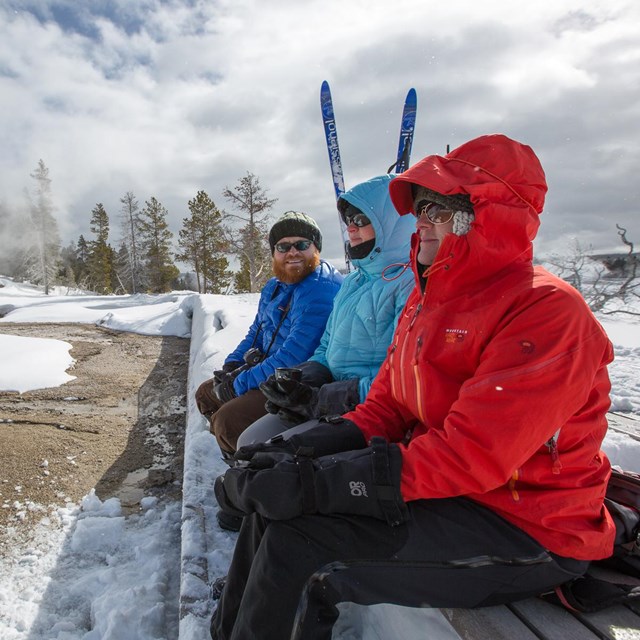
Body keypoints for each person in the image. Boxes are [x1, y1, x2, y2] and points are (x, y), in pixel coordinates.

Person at [211, 134, 616, 640]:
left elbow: (471, 455)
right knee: (278, 509)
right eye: (420, 207)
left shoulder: (544, 311)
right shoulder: (431, 299)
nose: (421, 221)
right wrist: (302, 450)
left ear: (489, 215)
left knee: (305, 548)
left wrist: (321, 481)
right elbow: (387, 405)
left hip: (529, 523)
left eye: (440, 209)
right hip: (452, 493)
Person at [235, 174, 415, 448]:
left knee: (266, 454)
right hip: (328, 395)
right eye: (349, 221)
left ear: (390, 223)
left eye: (362, 220)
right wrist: (308, 378)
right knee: (250, 440)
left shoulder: (408, 285)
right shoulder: (354, 283)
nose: (351, 228)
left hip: (370, 407)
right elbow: (325, 346)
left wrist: (326, 398)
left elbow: (405, 378)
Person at [195, 211, 343, 461]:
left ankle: (252, 467)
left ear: (315, 248)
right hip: (269, 371)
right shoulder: (276, 285)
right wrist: (233, 364)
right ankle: (238, 454)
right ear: (274, 252)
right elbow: (257, 332)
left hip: (296, 381)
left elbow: (295, 356)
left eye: (302, 245)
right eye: (283, 246)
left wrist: (238, 384)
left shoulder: (320, 290)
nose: (292, 252)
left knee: (227, 421)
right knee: (206, 393)